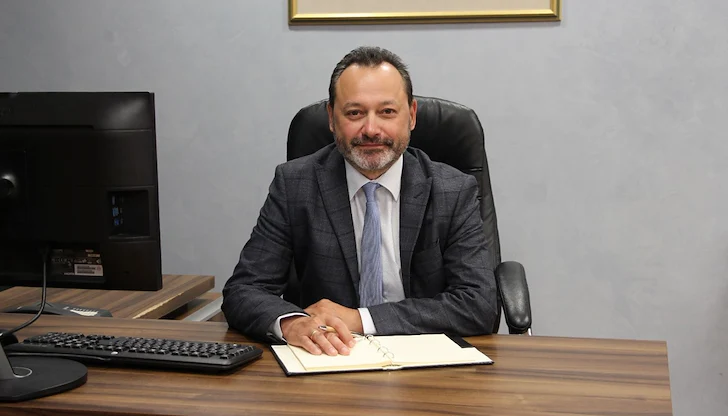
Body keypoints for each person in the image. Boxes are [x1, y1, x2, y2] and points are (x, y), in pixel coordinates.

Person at [222, 46, 497, 357]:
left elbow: (479, 304)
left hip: (425, 360)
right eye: (354, 113)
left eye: (387, 112)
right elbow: (243, 290)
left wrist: (360, 319)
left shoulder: (453, 190)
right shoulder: (295, 185)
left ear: (411, 116)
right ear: (331, 118)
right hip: (327, 359)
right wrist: (291, 323)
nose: (371, 130)